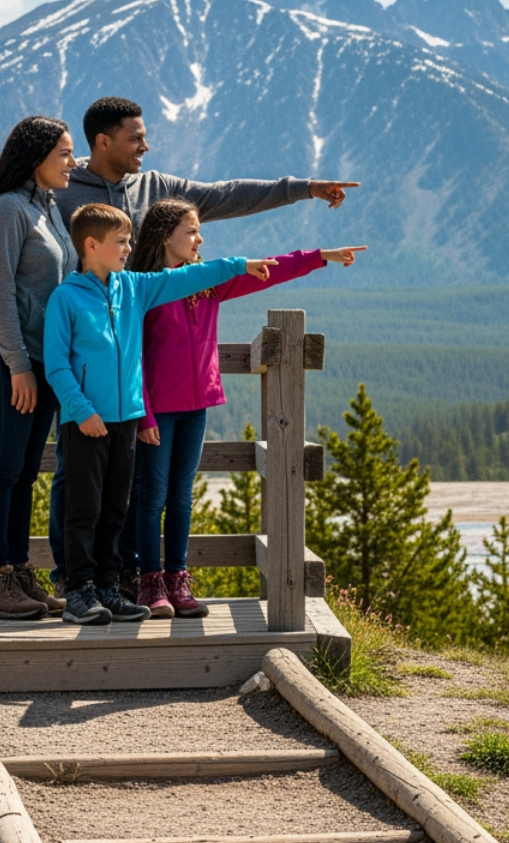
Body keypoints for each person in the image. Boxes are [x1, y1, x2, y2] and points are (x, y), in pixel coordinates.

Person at [44, 96, 360, 597]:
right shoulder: (59, 188)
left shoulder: (158, 210)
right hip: (97, 384)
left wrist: (305, 196)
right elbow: (26, 246)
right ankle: (75, 579)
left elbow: (229, 197)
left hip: (151, 402)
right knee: (81, 484)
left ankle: (127, 579)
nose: (145, 144)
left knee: (141, 492)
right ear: (103, 141)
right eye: (135, 136)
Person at [124, 198, 363, 617]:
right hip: (157, 411)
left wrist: (320, 257)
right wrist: (142, 415)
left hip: (196, 407)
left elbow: (270, 270)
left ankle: (178, 582)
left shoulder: (211, 285)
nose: (201, 239)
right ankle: (149, 585)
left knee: (181, 497)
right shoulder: (145, 286)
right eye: (192, 231)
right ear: (166, 237)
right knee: (150, 497)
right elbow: (134, 358)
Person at [43, 202, 277, 625]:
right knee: (83, 509)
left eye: (129, 240)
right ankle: (78, 591)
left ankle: (108, 589)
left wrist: (240, 265)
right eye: (121, 242)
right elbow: (56, 363)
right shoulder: (66, 298)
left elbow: (191, 276)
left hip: (126, 419)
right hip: (85, 424)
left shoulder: (134, 287)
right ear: (92, 245)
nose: (129, 248)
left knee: (117, 508)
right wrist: (81, 411)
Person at [0, 117, 78, 619]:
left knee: (26, 472)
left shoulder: (48, 210)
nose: (72, 162)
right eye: (64, 153)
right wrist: (18, 366)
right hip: (5, 357)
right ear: (36, 157)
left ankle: (16, 570)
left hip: (40, 359)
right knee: (3, 467)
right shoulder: (9, 210)